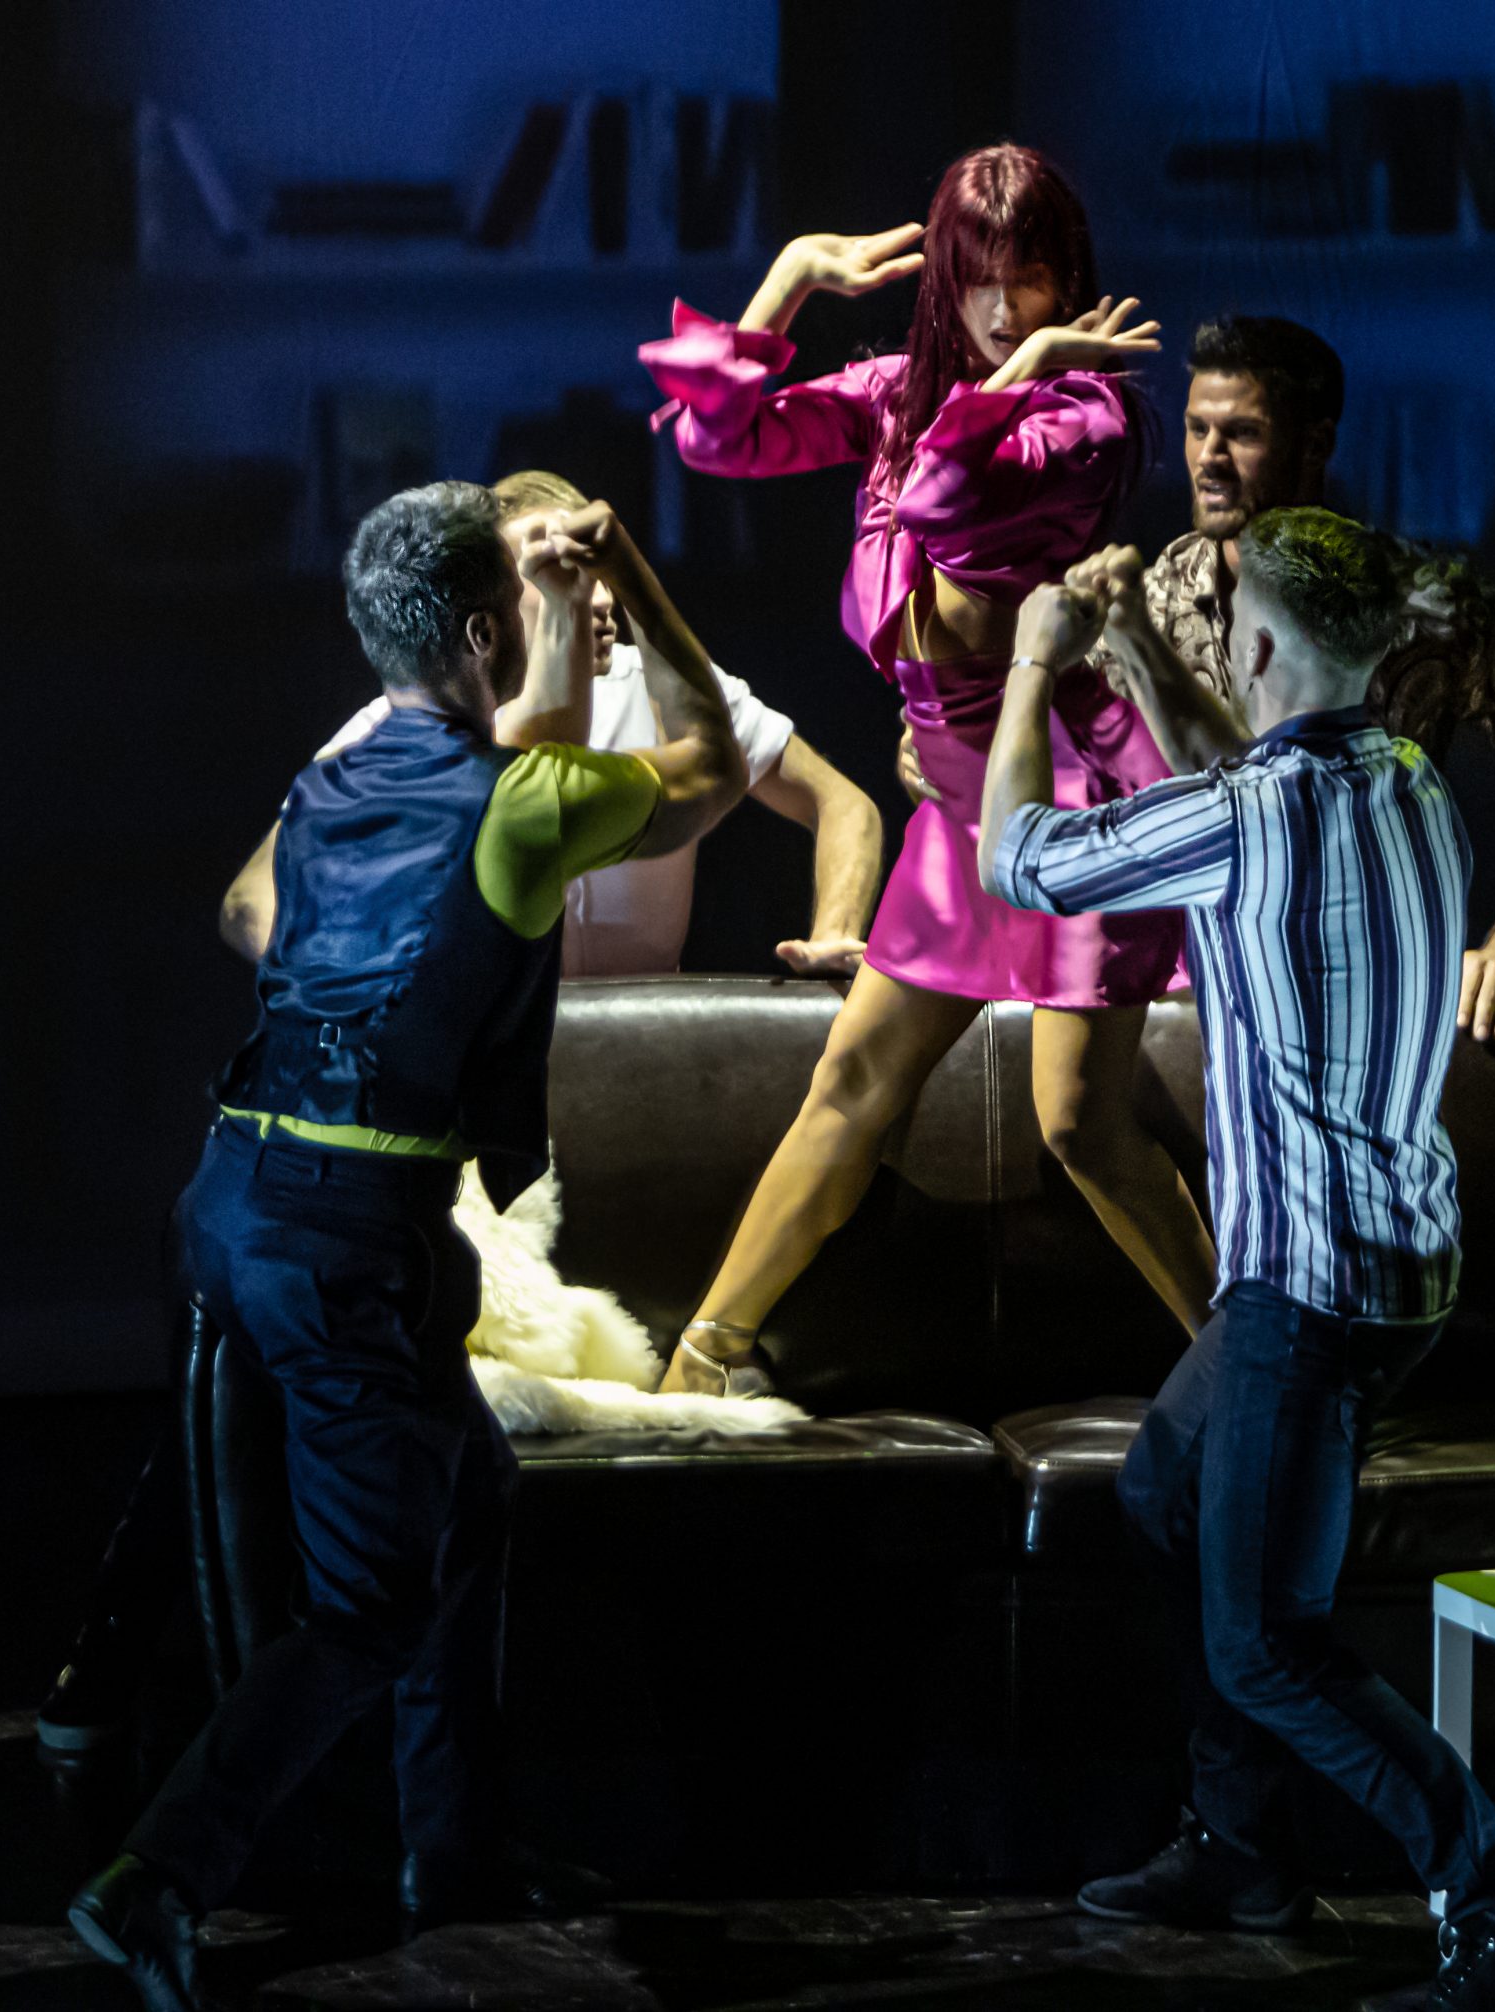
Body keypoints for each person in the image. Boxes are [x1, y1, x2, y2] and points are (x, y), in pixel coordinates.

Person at [65, 485, 747, 2012]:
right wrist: (628, 570)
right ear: (489, 631)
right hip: (344, 1239)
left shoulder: (328, 778)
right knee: (368, 1605)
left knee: (471, 1496)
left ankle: (455, 1850)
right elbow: (706, 763)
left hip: (240, 1199)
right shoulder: (523, 804)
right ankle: (160, 1874)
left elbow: (257, 911)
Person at [978, 512, 1495, 2012]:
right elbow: (1246, 764)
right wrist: (1139, 646)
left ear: (1255, 645)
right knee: (1163, 1491)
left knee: (1265, 1645)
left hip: (1306, 1293)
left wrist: (1035, 666)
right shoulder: (1407, 781)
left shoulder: (1254, 814)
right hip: (1392, 1268)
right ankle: (1241, 1844)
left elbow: (1019, 861)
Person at [636, 142, 1215, 1397]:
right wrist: (791, 277)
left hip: (1073, 806)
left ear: (1068, 275)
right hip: (959, 812)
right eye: (979, 277)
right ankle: (702, 1360)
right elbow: (717, 440)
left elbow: (947, 503)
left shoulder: (1087, 412)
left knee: (1081, 1124)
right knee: (851, 1078)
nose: (1004, 306)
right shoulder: (907, 391)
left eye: (1030, 275)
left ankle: (1259, 1370)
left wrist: (1024, 365)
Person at [905, 312, 1495, 1045]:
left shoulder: (1426, 604)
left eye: (1241, 434)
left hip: (1358, 1000)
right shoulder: (1150, 597)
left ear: (1315, 444)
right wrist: (950, 749)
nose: (1209, 458)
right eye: (1197, 430)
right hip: (1192, 1009)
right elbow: (1040, 781)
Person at [220, 467, 884, 979]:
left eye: (597, 568)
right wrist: (348, 977)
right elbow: (252, 897)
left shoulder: (671, 689)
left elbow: (842, 804)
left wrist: (833, 936)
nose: (596, 597)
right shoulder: (412, 720)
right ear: (494, 600)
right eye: (556, 572)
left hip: (649, 1049)